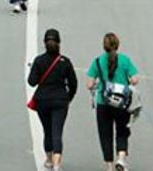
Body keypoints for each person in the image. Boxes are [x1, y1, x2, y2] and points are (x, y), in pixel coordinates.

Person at [86, 33, 139, 171]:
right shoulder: (125, 60)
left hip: (103, 103)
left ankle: (108, 165)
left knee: (105, 134)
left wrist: (98, 84)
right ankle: (121, 158)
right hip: (122, 103)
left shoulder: (97, 62)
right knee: (122, 131)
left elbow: (89, 84)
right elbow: (134, 80)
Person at [27, 29, 77, 171]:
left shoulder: (39, 60)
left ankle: (48, 159)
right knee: (57, 131)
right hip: (60, 100)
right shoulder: (65, 62)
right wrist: (68, 98)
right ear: (59, 43)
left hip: (42, 100)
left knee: (47, 130)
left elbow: (32, 82)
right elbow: (73, 83)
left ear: (44, 43)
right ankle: (57, 163)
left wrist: (34, 70)